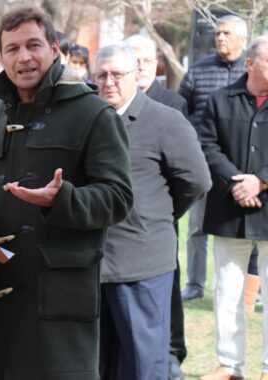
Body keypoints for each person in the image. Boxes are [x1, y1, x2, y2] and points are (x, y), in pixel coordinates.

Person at [0, 8, 133, 379]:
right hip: (1, 294)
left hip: (59, 299)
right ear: (0, 56)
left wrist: (60, 199)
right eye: (12, 49)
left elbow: (118, 198)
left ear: (54, 49)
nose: (24, 57)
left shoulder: (94, 114)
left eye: (33, 45)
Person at [94, 44, 211, 380]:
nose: (109, 82)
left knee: (144, 365)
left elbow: (196, 181)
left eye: (117, 74)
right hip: (95, 263)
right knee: (100, 365)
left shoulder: (165, 120)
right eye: (101, 75)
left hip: (142, 264)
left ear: (137, 76)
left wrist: (155, 215)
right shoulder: (90, 120)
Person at [197, 35, 268, 380]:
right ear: (251, 63)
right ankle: (230, 366)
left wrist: (261, 181)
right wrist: (237, 182)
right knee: (227, 292)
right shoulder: (219, 100)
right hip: (229, 207)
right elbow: (206, 144)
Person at [125, 33, 191, 380]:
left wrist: (167, 209)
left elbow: (188, 174)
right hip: (122, 223)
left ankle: (172, 351)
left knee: (168, 284)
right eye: (133, 60)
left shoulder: (171, 103)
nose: (140, 67)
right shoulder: (110, 102)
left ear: (157, 64)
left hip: (161, 215)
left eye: (147, 61)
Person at [180, 15, 249, 302]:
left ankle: (250, 289)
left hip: (243, 167)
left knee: (248, 230)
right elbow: (181, 111)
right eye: (218, 33)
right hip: (203, 164)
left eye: (227, 33)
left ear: (243, 40)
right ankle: (195, 284)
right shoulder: (198, 70)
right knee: (196, 228)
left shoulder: (254, 69)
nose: (220, 38)